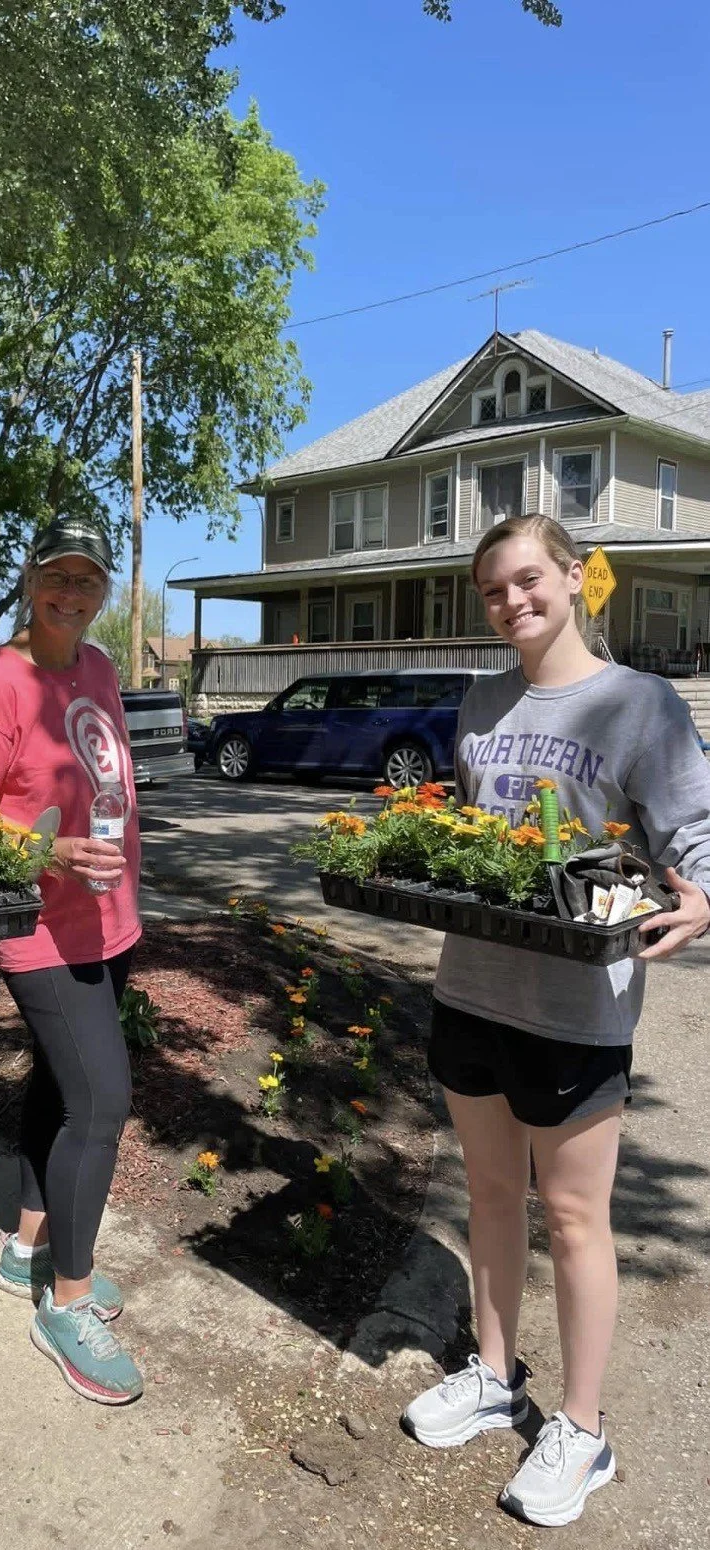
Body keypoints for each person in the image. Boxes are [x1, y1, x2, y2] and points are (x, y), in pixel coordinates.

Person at [401, 514, 710, 1527]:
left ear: (575, 577)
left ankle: (582, 1427)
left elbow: (693, 836)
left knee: (575, 1218)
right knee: (492, 1192)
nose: (512, 602)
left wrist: (702, 896)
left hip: (579, 1004)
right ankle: (496, 1374)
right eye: (494, 589)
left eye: (529, 579)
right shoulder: (482, 701)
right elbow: (471, 832)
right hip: (471, 988)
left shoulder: (640, 702)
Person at [0, 515, 144, 1405]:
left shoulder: (98, 668)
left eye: (87, 579)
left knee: (63, 1089)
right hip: (40, 929)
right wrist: (49, 853)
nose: (71, 593)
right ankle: (67, 1304)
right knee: (102, 1102)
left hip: (109, 920)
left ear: (105, 590)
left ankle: (27, 1249)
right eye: (57, 576)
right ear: (30, 581)